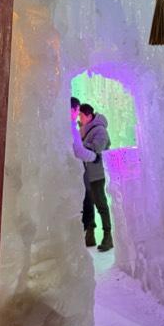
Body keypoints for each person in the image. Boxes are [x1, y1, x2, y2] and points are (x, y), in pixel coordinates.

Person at [71, 98, 113, 252]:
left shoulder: (100, 130)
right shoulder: (83, 129)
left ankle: (108, 236)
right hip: (86, 173)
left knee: (100, 203)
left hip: (97, 173)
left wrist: (79, 145)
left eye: (81, 115)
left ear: (89, 116)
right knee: (88, 203)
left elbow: (97, 148)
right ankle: (90, 235)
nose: (79, 118)